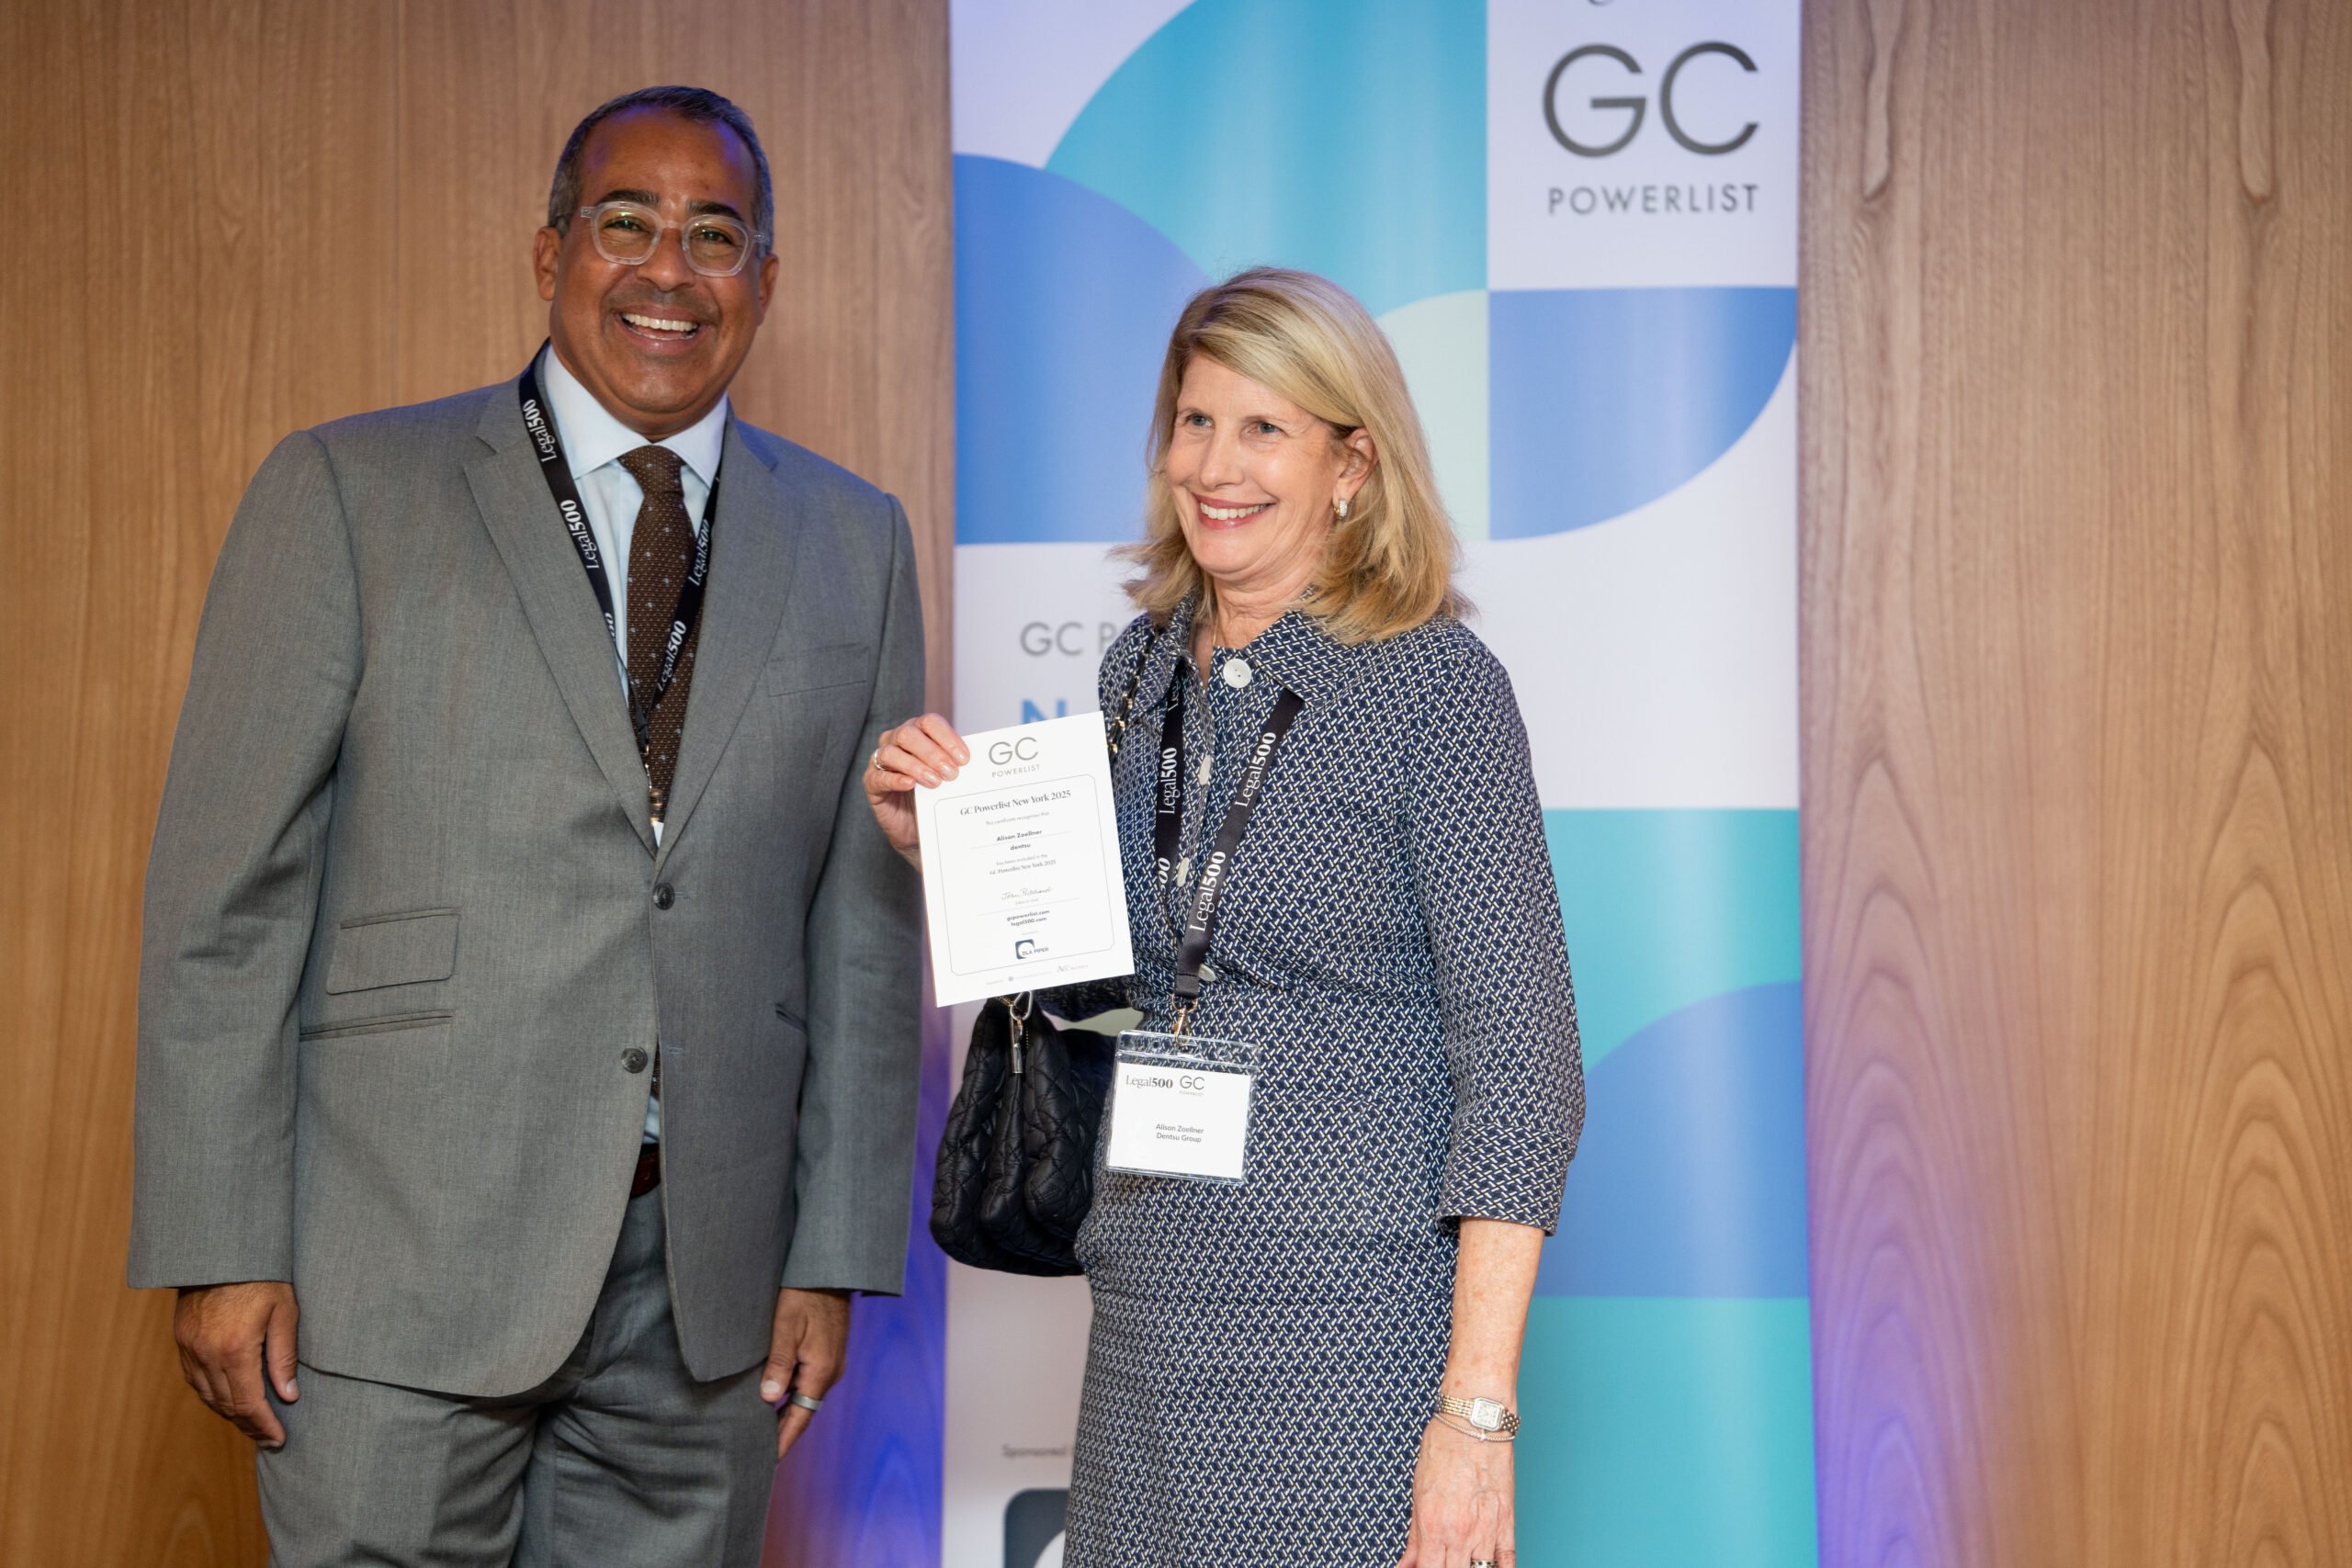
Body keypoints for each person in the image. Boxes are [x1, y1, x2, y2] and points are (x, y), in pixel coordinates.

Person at [130, 85, 925, 1565]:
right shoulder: (349, 492)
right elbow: (224, 905)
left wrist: (830, 1254)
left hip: (707, 1292)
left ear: (765, 279)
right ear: (551, 251)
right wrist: (218, 1242)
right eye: (627, 223)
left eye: (715, 235)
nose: (669, 269)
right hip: (391, 1267)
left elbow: (863, 932)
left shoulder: (854, 539)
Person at [865, 268, 1585, 1568]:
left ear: (1350, 465)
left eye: (1265, 429)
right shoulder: (1139, 669)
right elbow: (1098, 966)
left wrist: (1476, 1415)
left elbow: (1524, 1065)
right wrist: (946, 846)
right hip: (1146, 1310)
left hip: (1352, 1335)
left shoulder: (1437, 687)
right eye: (1196, 422)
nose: (1216, 464)